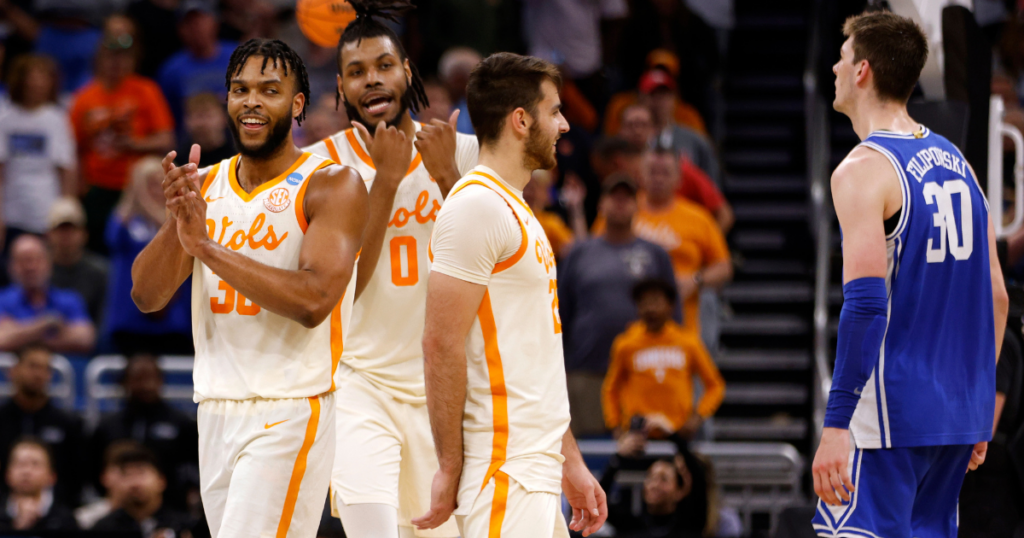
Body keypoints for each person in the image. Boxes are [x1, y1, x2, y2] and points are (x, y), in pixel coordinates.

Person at [131, 38, 367, 538]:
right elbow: (147, 296)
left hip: (289, 407)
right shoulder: (206, 186)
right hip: (215, 408)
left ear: (297, 103)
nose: (252, 101)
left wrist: (208, 249)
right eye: (240, 89)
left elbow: (313, 301)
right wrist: (179, 222)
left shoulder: (332, 184)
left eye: (270, 89)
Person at [811, 12, 1009, 538]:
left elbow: (867, 305)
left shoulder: (863, 169)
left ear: (862, 71)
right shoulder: (959, 163)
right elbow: (997, 297)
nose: (833, 65)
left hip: (887, 420)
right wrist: (976, 407)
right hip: (954, 420)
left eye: (843, 54)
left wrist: (836, 425)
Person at [413, 51, 607, 538]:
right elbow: (440, 344)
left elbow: (533, 361)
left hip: (533, 469)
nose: (564, 125)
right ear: (521, 120)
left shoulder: (514, 208)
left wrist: (571, 461)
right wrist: (449, 467)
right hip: (504, 469)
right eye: (554, 111)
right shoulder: (476, 205)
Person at [303, 3, 477, 536]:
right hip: (360, 381)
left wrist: (448, 178)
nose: (372, 80)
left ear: (408, 71)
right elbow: (340, 291)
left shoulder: (466, 154)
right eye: (356, 72)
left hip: (446, 389)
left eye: (383, 65)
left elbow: (502, 269)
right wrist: (388, 181)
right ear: (339, 85)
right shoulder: (323, 169)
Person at [558, 175, 679, 436]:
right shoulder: (579, 253)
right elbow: (560, 313)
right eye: (614, 197)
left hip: (642, 373)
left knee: (642, 450)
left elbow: (674, 315)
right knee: (587, 452)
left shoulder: (656, 254)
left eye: (628, 198)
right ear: (601, 204)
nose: (621, 204)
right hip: (586, 371)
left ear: (638, 206)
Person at [70, 15, 175, 255]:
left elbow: (166, 139)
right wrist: (79, 189)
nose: (117, 63)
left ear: (133, 58)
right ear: (100, 57)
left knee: (135, 253)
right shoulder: (84, 98)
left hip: (135, 190)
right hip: (96, 188)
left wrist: (134, 144)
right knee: (95, 249)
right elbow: (75, 148)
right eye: (111, 55)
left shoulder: (146, 91)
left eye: (124, 56)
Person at [603, 278, 724, 440]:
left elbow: (715, 385)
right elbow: (610, 389)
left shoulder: (688, 342)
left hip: (678, 433)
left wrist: (697, 417)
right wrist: (615, 425)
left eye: (655, 302)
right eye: (643, 303)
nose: (650, 309)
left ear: (670, 306)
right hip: (639, 435)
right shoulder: (625, 344)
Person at [105, 157, 193, 355]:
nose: (154, 190)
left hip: (172, 321)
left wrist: (142, 198)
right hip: (129, 320)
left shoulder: (177, 217)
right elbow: (112, 238)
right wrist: (132, 194)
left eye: (160, 183)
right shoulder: (126, 218)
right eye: (148, 184)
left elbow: (182, 237)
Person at [89, 354, 199, 510]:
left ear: (161, 381)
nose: (146, 385)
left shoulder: (182, 424)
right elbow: (93, 470)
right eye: (138, 378)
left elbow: (192, 469)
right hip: (115, 509)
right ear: (125, 383)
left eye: (151, 378)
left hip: (172, 507)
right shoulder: (107, 426)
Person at [0, 54, 76, 248]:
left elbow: (65, 168)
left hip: (46, 209)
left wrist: (67, 210)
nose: (37, 86)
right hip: (12, 209)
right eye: (32, 80)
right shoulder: (5, 117)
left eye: (42, 80)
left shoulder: (56, 119)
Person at [618, 104, 733, 232]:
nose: (637, 131)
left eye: (643, 125)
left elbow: (724, 213)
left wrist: (708, 241)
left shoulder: (679, 166)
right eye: (631, 125)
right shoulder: (614, 167)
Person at [0, 345, 84, 506]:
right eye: (32, 366)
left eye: (45, 368)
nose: (38, 374)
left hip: (57, 512)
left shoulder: (68, 423)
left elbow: (75, 478)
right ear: (13, 371)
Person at [0, 235, 96, 354]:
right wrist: (47, 324)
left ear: (49, 264)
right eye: (23, 260)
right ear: (10, 267)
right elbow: (2, 339)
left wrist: (19, 335)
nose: (31, 267)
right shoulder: (2, 300)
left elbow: (85, 339)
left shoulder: (70, 299)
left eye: (37, 259)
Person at [157, 0, 236, 143]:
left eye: (201, 20)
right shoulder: (171, 70)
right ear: (180, 30)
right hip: (192, 143)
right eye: (189, 23)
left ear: (215, 22)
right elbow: (169, 120)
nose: (196, 28)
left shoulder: (239, 57)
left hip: (238, 138)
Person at [598, 450, 709, 538]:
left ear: (679, 491)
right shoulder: (631, 525)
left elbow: (699, 483)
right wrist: (617, 459)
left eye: (663, 479)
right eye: (651, 477)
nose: (654, 485)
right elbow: (598, 501)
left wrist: (673, 436)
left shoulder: (690, 526)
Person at [640, 69, 722, 187]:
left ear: (674, 99)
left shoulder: (696, 141)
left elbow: (713, 186)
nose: (659, 102)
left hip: (685, 203)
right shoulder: (631, 140)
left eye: (664, 95)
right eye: (653, 95)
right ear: (641, 98)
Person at [93, 444, 191, 537]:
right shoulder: (104, 529)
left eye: (141, 473)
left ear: (161, 480)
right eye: (127, 475)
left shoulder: (186, 526)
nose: (135, 483)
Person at [48, 197, 109, 324]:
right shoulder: (39, 271)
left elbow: (104, 320)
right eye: (61, 229)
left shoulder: (101, 272)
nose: (66, 236)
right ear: (48, 235)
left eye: (72, 229)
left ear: (84, 234)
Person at [0, 438, 78, 531]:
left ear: (52, 476)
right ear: (7, 474)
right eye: (20, 463)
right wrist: (17, 527)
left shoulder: (66, 520)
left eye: (35, 464)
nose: (26, 471)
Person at [76, 440, 134, 530]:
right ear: (105, 476)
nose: (130, 478)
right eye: (122, 471)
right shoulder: (83, 519)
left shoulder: (152, 522)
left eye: (135, 472)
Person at [523, 169, 575, 259]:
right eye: (525, 187)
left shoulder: (550, 223)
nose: (528, 193)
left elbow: (572, 247)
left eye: (532, 188)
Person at [181, 92, 235, 167]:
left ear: (224, 119)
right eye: (197, 116)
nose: (202, 123)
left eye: (208, 116)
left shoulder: (240, 157)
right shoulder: (179, 160)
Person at [437, 47, 481, 135]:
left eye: (464, 79)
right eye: (457, 79)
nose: (460, 85)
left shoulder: (473, 110)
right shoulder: (430, 101)